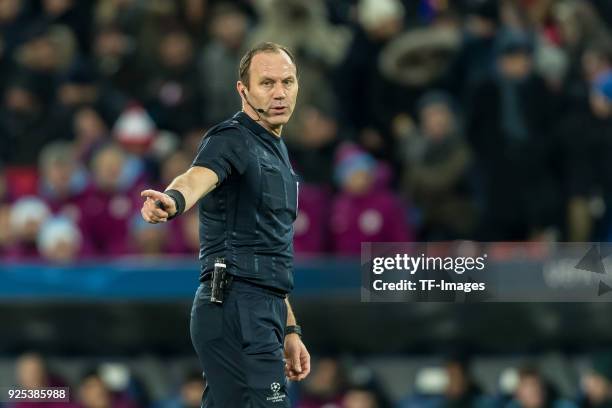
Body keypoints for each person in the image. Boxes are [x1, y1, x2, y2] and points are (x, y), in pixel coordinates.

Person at [140, 42, 310, 407]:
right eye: (267, 83)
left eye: (288, 81)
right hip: (234, 307)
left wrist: (289, 327)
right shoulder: (232, 138)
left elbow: (271, 251)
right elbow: (195, 177)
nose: (280, 92)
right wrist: (173, 201)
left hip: (261, 310)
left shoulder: (276, 149)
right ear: (242, 89)